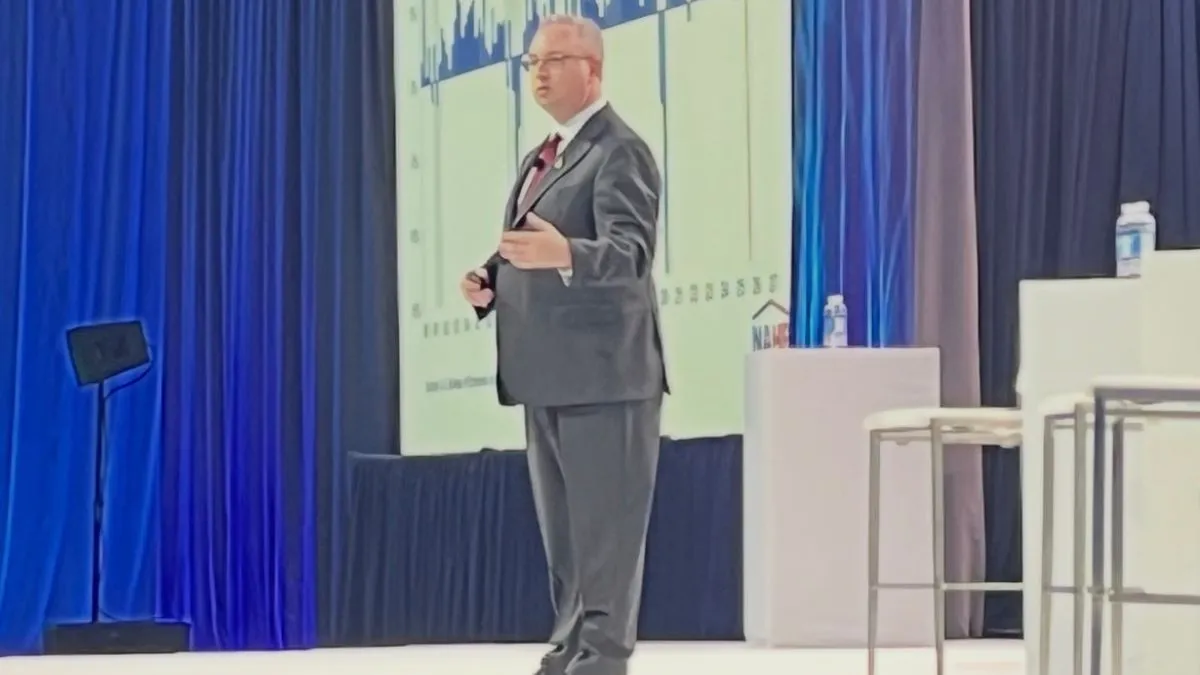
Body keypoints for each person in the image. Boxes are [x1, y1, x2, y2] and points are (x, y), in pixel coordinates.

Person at [459, 14, 667, 675]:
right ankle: (571, 643)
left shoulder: (619, 150)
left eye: (553, 61)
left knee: (606, 533)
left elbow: (630, 254)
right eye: (531, 63)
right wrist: (490, 280)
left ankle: (602, 656)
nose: (538, 74)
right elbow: (526, 245)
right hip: (545, 372)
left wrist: (567, 253)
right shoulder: (543, 155)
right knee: (567, 538)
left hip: (605, 377)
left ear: (593, 69)